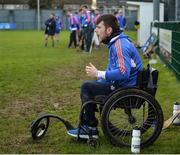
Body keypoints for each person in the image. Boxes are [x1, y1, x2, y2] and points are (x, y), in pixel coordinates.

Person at [67, 14, 143, 139]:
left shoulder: (120, 45)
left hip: (125, 88)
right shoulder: (117, 42)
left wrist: (98, 73)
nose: (96, 30)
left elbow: (123, 72)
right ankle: (88, 125)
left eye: (99, 27)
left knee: (87, 86)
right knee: (92, 84)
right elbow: (113, 68)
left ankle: (90, 128)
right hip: (125, 85)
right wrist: (101, 78)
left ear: (109, 30)